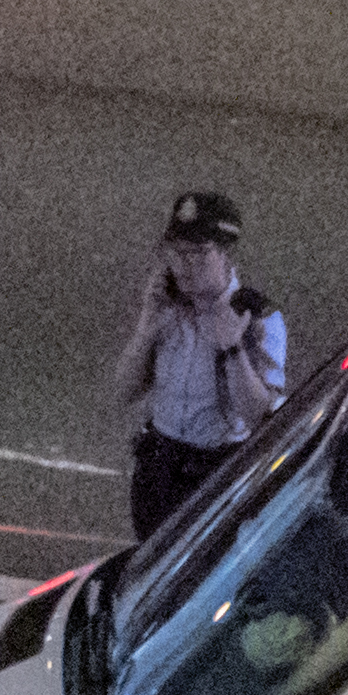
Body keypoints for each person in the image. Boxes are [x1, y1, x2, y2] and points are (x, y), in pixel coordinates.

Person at [115, 191, 285, 533]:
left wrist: (233, 349)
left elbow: (263, 421)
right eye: (176, 253)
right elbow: (123, 391)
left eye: (197, 253)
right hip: (157, 469)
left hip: (212, 476)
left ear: (224, 253)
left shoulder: (257, 318)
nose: (184, 265)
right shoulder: (166, 305)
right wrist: (146, 329)